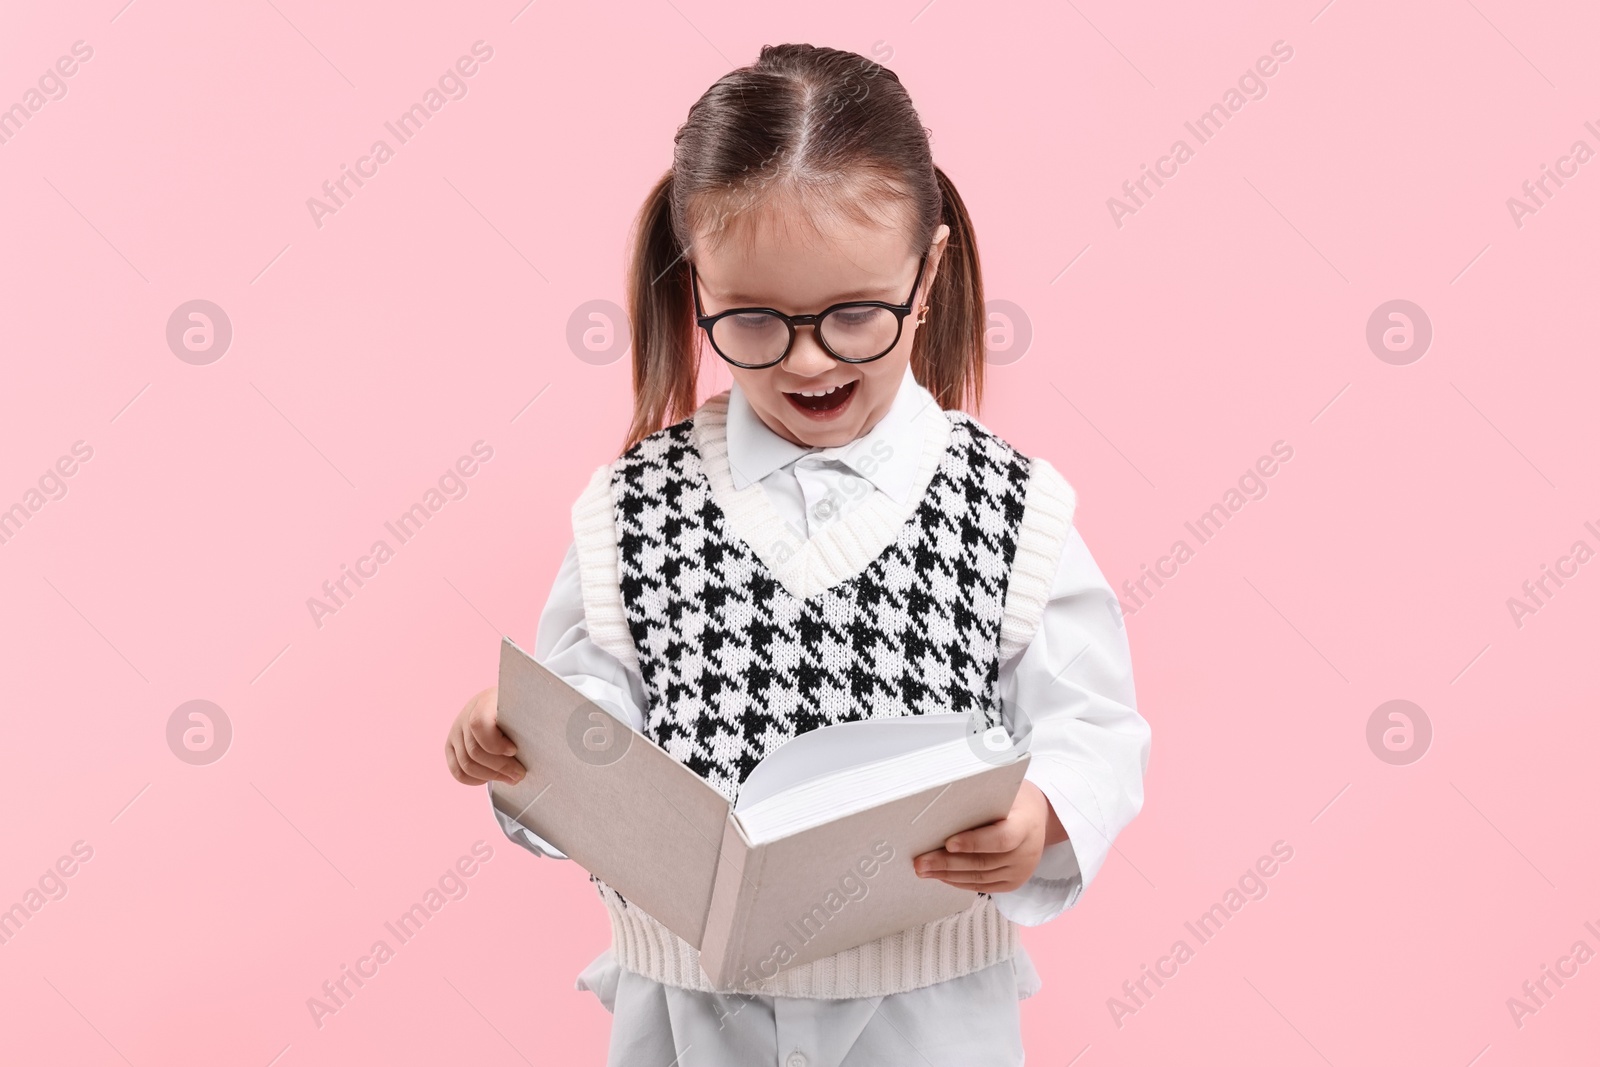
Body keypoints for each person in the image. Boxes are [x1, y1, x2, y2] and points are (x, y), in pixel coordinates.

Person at [443, 42, 1150, 1067]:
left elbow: (1094, 721)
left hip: (926, 1005)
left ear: (930, 272)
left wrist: (1043, 815)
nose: (808, 359)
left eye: (854, 314)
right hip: (689, 1007)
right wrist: (524, 741)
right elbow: (596, 713)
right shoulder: (633, 507)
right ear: (697, 290)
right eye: (755, 320)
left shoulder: (1010, 506)